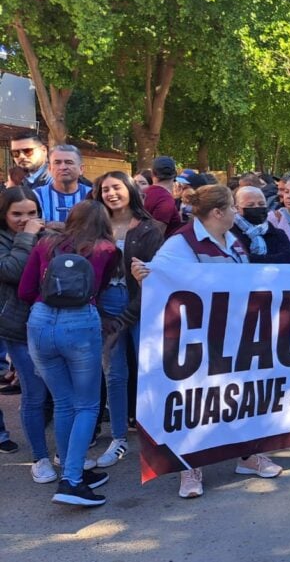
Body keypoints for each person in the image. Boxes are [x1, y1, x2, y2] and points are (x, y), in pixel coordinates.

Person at [131, 185, 284, 497]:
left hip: (235, 336)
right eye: (231, 208)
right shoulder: (181, 244)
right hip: (199, 339)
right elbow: (158, 278)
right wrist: (143, 274)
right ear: (217, 212)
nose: (235, 213)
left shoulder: (234, 242)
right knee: (197, 402)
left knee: (242, 397)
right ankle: (190, 468)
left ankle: (247, 455)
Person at [19, 200, 119, 506]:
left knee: (63, 402)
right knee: (87, 405)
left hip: (39, 320)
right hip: (79, 323)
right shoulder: (106, 250)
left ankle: (70, 468)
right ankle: (72, 480)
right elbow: (98, 290)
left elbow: (24, 291)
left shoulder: (45, 244)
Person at [90, 172, 165, 469]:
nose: (110, 193)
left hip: (141, 305)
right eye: (104, 189)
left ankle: (156, 433)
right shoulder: (94, 227)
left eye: (116, 187)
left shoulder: (150, 229)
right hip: (105, 306)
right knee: (115, 374)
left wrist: (126, 316)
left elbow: (153, 278)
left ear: (130, 190)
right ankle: (119, 437)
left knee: (150, 370)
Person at [0, 187, 49, 465]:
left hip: (50, 324)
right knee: (34, 392)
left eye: (32, 213)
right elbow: (12, 270)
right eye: (16, 214)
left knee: (58, 394)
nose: (25, 219)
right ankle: (40, 458)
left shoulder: (44, 234)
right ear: (4, 214)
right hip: (17, 327)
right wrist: (27, 236)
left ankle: (63, 455)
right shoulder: (13, 237)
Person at [231, 186, 290, 264]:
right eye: (250, 205)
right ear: (237, 208)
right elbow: (233, 259)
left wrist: (250, 258)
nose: (257, 207)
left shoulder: (277, 233)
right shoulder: (230, 233)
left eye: (261, 204)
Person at [35, 145, 92, 225]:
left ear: (81, 169)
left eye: (69, 162)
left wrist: (55, 226)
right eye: (57, 163)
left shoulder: (92, 195)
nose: (63, 167)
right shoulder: (36, 195)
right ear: (50, 169)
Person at [145, 156, 184, 237]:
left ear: (152, 173)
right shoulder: (165, 200)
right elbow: (156, 236)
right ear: (175, 174)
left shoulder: (144, 193)